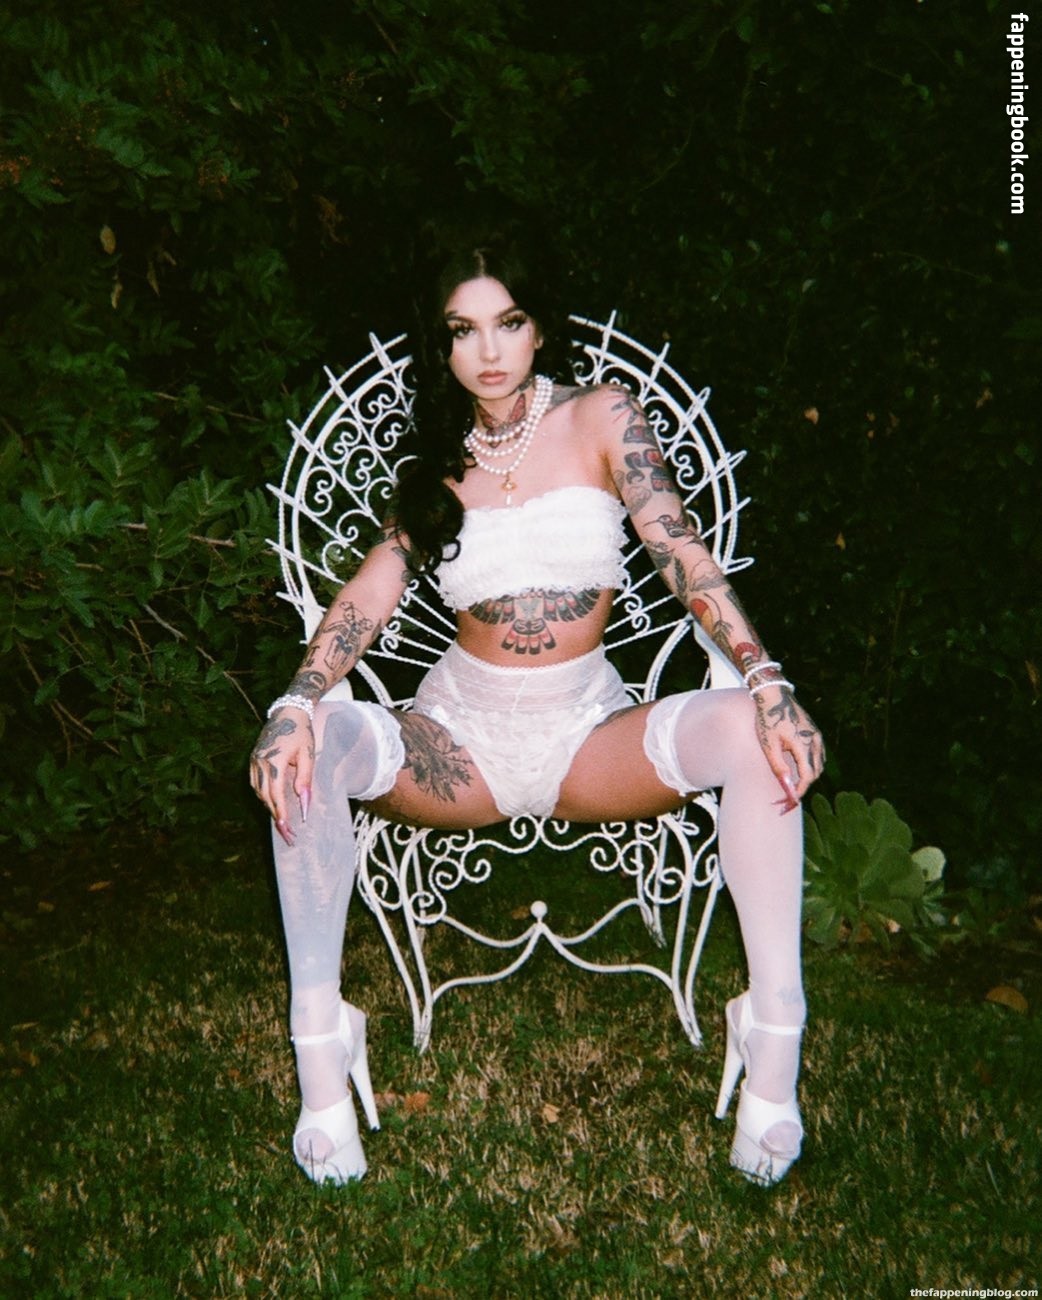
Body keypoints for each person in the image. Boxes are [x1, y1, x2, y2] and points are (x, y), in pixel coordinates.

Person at [249, 230, 824, 1189]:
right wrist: (298, 700)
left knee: (756, 736)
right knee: (311, 745)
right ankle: (321, 1042)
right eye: (462, 330)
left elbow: (681, 552)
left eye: (508, 322)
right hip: (459, 744)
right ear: (441, 343)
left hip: (585, 737)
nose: (488, 350)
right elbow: (371, 592)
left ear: (539, 325)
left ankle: (773, 1034)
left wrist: (766, 681)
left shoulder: (603, 416)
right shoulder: (438, 459)